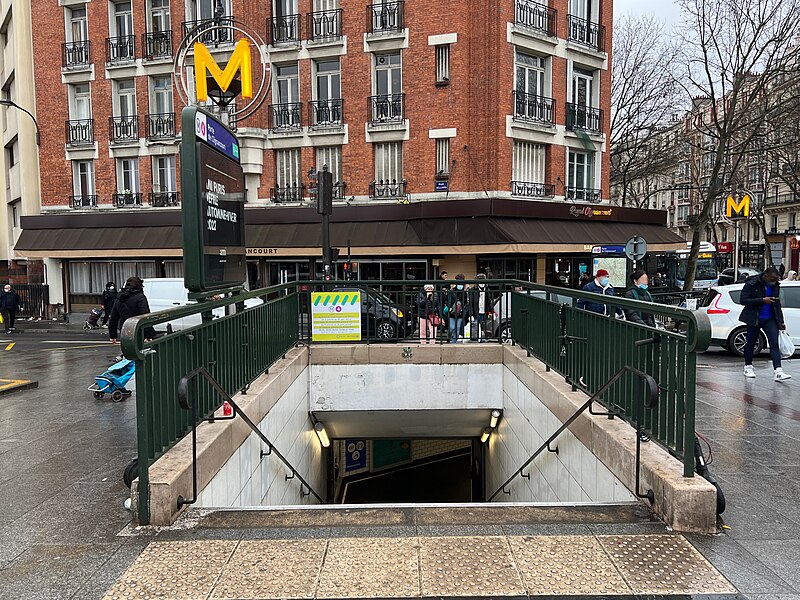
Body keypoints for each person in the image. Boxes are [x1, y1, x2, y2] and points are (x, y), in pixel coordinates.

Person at [739, 267, 791, 381]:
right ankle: (748, 366)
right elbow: (743, 300)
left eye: (775, 280)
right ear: (765, 276)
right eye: (772, 279)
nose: (773, 282)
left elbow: (777, 304)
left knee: (774, 342)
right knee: (751, 342)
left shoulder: (775, 285)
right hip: (754, 317)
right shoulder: (752, 283)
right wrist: (762, 300)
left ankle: (778, 371)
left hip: (770, 318)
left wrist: (781, 321)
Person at [108, 276, 156, 343]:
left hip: (124, 328)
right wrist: (148, 335)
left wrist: (112, 335)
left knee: (127, 349)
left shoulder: (119, 297)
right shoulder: (140, 297)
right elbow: (145, 316)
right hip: (138, 329)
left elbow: (113, 318)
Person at [445, 274, 469, 343]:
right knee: (452, 327)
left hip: (460, 313)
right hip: (452, 312)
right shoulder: (452, 291)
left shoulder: (465, 292)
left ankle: (454, 340)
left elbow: (466, 302)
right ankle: (448, 337)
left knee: (458, 327)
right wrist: (449, 307)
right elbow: (447, 300)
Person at [469, 273, 490, 342]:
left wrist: (490, 311)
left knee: (482, 325)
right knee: (476, 325)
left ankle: (481, 338)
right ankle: (477, 338)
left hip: (483, 311)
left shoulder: (487, 290)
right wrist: (471, 314)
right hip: (476, 311)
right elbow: (471, 303)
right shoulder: (473, 290)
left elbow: (488, 302)